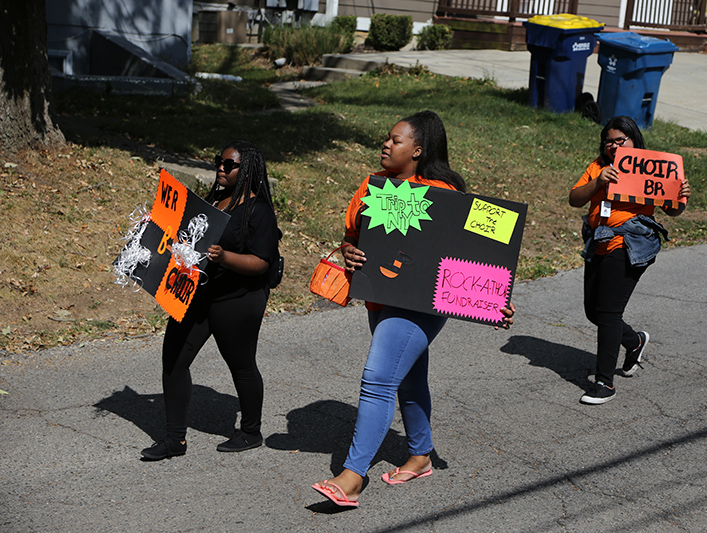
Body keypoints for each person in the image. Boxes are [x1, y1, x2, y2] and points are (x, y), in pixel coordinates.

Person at [311, 111, 515, 507]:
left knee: (378, 379)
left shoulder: (445, 194)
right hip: (379, 297)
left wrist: (495, 298)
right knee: (408, 376)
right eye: (386, 138)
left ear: (418, 150)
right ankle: (420, 455)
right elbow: (353, 236)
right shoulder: (371, 188)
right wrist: (350, 251)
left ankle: (352, 477)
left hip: (421, 304)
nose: (386, 145)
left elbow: (482, 251)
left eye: (396, 140)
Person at [141, 140, 282, 460]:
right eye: (219, 161)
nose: (221, 167)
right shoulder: (213, 201)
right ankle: (174, 439)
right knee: (174, 361)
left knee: (241, 366)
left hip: (239, 298)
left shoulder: (259, 211)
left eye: (229, 165)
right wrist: (152, 237)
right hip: (196, 295)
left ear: (245, 170)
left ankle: (250, 431)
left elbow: (261, 262)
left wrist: (224, 257)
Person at [569, 116, 691, 405]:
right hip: (599, 240)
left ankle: (604, 383)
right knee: (593, 312)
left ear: (634, 140)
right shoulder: (598, 167)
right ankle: (634, 341)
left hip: (630, 243)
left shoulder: (652, 167)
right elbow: (575, 199)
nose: (613, 145)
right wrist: (598, 182)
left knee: (608, 312)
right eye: (608, 141)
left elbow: (672, 210)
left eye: (619, 140)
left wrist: (681, 198)